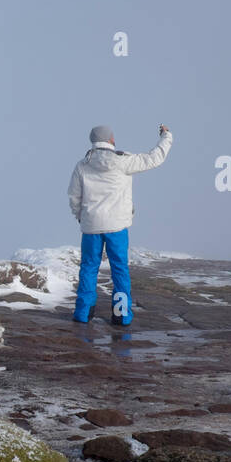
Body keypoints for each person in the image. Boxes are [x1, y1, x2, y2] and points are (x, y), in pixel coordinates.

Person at [67, 124, 173, 326]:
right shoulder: (123, 162)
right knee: (119, 270)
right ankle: (122, 315)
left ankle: (82, 314)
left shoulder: (82, 165)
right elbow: (155, 158)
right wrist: (166, 136)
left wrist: (80, 216)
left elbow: (74, 196)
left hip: (91, 227)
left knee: (89, 268)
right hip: (117, 226)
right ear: (111, 141)